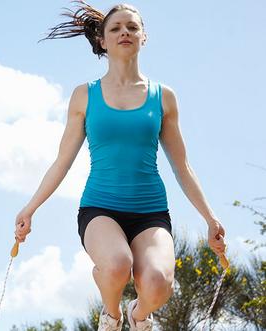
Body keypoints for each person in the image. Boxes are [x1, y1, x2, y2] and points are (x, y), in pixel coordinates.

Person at [13, 2, 228, 330]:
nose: (124, 32)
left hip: (151, 211)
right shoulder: (85, 95)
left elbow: (182, 165)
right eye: (115, 28)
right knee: (117, 265)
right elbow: (62, 161)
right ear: (102, 40)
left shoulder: (164, 96)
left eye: (132, 27)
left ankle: (138, 317)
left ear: (144, 37)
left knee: (158, 282)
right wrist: (30, 208)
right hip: (100, 209)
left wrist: (211, 218)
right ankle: (111, 317)